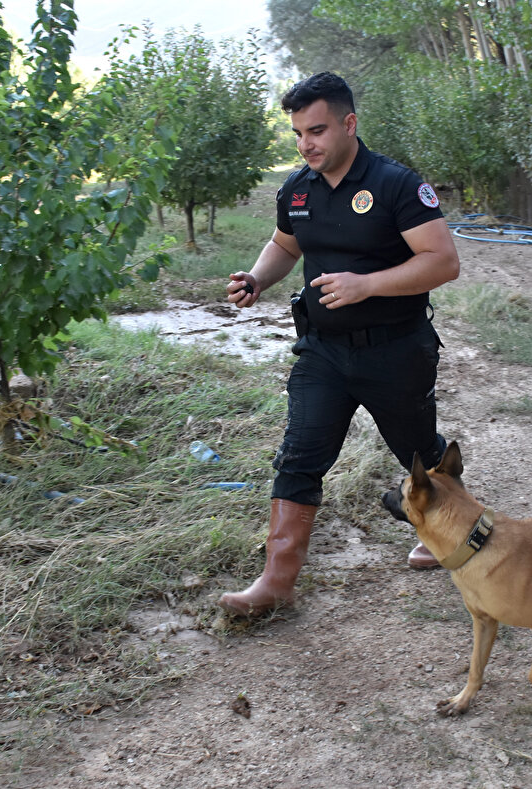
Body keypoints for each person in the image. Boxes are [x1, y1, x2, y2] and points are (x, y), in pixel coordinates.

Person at [218, 72, 460, 618]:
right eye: (300, 133)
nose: (307, 144)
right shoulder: (297, 188)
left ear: (349, 124)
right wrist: (258, 278)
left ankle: (455, 532)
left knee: (419, 452)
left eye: (318, 130)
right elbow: (284, 245)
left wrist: (366, 284)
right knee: (300, 456)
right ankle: (275, 585)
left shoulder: (397, 184)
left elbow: (443, 261)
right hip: (323, 350)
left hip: (395, 349)